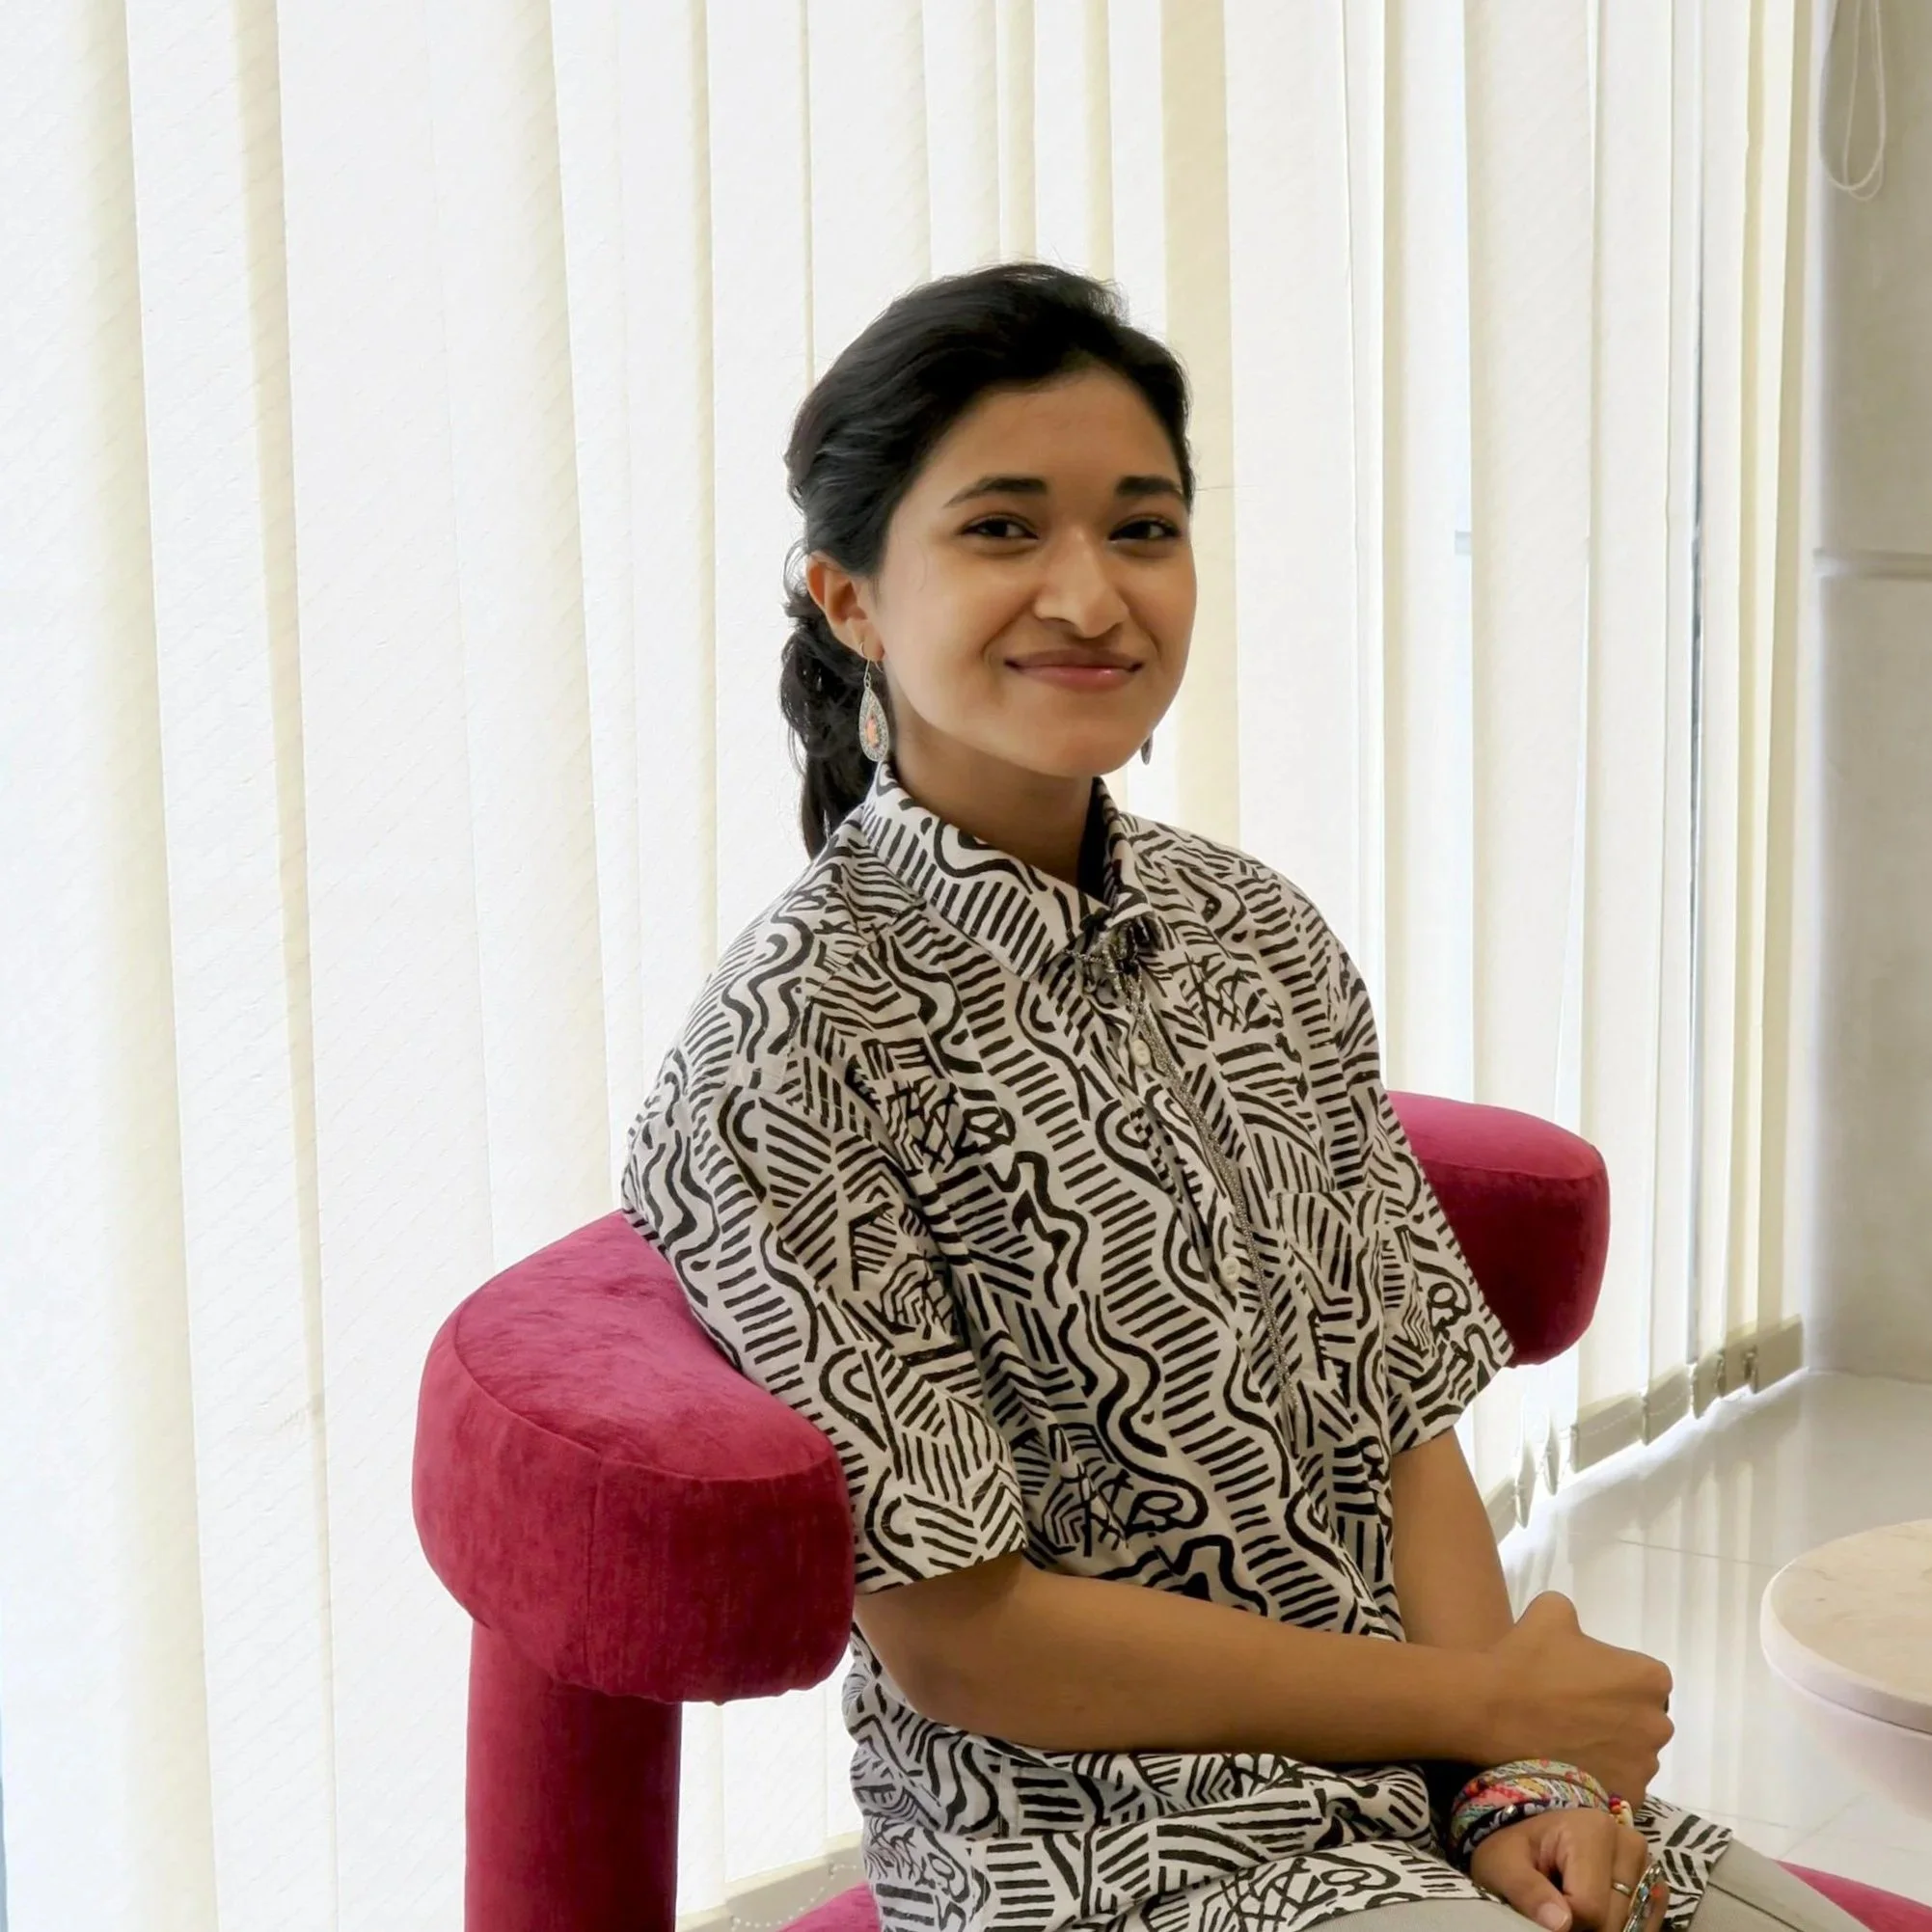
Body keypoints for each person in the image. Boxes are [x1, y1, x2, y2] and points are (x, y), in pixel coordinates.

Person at [619, 261, 1858, 1932]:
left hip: (1414, 1780)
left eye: (1140, 528)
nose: (1088, 593)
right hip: (1086, 1851)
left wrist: (1519, 1781)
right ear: (851, 599)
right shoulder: (788, 1043)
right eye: (1001, 530)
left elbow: (1401, 1418)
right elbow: (967, 1636)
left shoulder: (1253, 929)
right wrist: (1489, 1714)